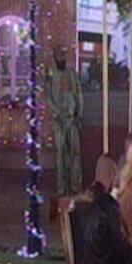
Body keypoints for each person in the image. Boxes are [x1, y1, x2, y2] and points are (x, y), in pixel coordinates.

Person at [45, 47, 84, 196]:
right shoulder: (51, 75)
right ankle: (61, 187)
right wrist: (56, 114)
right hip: (59, 121)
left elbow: (78, 94)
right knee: (59, 155)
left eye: (63, 58)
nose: (61, 61)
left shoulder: (72, 74)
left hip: (72, 119)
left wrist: (79, 114)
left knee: (75, 153)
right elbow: (48, 97)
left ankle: (75, 185)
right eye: (59, 58)